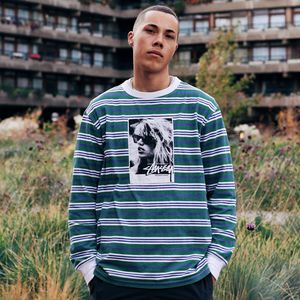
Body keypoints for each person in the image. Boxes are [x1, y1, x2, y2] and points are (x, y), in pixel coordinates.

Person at [68, 5, 236, 300]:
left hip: (189, 279)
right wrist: (89, 266)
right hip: (114, 281)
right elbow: (82, 193)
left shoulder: (202, 108)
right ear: (132, 37)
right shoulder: (101, 110)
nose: (160, 40)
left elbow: (222, 189)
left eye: (169, 36)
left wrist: (214, 263)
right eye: (151, 30)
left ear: (174, 47)